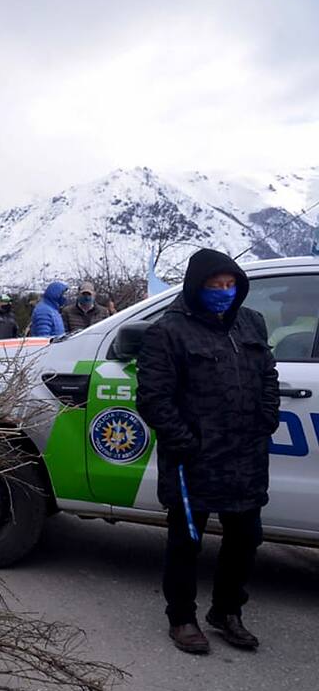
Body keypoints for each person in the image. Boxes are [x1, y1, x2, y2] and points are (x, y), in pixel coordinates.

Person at [136, 249, 279, 655]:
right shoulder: (169, 331)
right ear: (196, 287)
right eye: (214, 286)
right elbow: (153, 397)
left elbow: (267, 373)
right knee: (187, 541)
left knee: (245, 538)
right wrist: (184, 440)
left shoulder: (251, 322)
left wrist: (267, 416)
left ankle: (227, 611)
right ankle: (181, 617)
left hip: (245, 455)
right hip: (194, 458)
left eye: (229, 285)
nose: (223, 292)